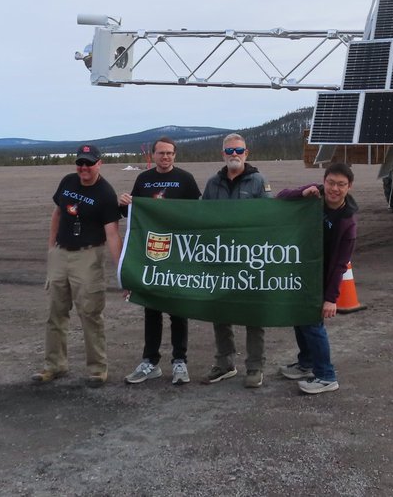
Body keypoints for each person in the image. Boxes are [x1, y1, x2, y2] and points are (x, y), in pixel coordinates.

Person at [32, 144, 123, 388]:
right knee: (55, 313)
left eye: (89, 163)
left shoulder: (105, 193)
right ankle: (54, 365)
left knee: (90, 313)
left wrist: (122, 270)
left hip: (88, 256)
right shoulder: (68, 182)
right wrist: (52, 248)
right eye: (80, 163)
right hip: (61, 254)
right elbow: (58, 214)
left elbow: (112, 234)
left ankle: (97, 369)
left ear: (99, 164)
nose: (84, 167)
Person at [119, 136, 201, 386]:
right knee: (151, 306)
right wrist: (124, 204)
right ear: (153, 155)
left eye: (169, 153)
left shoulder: (185, 179)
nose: (165, 157)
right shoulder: (143, 179)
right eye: (161, 153)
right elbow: (134, 213)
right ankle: (150, 361)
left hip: (177, 253)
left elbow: (199, 213)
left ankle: (180, 361)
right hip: (151, 251)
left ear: (175, 155)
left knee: (178, 308)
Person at [277, 161, 358, 394]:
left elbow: (341, 264)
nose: (334, 189)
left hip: (321, 277)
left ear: (349, 187)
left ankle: (326, 375)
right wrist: (301, 193)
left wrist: (331, 298)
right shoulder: (315, 194)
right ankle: (307, 363)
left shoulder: (347, 222)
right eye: (331, 183)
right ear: (324, 181)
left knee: (313, 324)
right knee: (300, 318)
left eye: (341, 185)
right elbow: (282, 197)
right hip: (301, 270)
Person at [199, 133, 271, 387]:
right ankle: (224, 363)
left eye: (238, 151)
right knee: (220, 311)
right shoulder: (212, 184)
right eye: (229, 151)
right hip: (220, 258)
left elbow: (270, 216)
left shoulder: (257, 181)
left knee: (253, 313)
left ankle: (254, 366)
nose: (234, 156)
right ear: (223, 155)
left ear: (246, 153)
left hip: (249, 260)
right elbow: (199, 216)